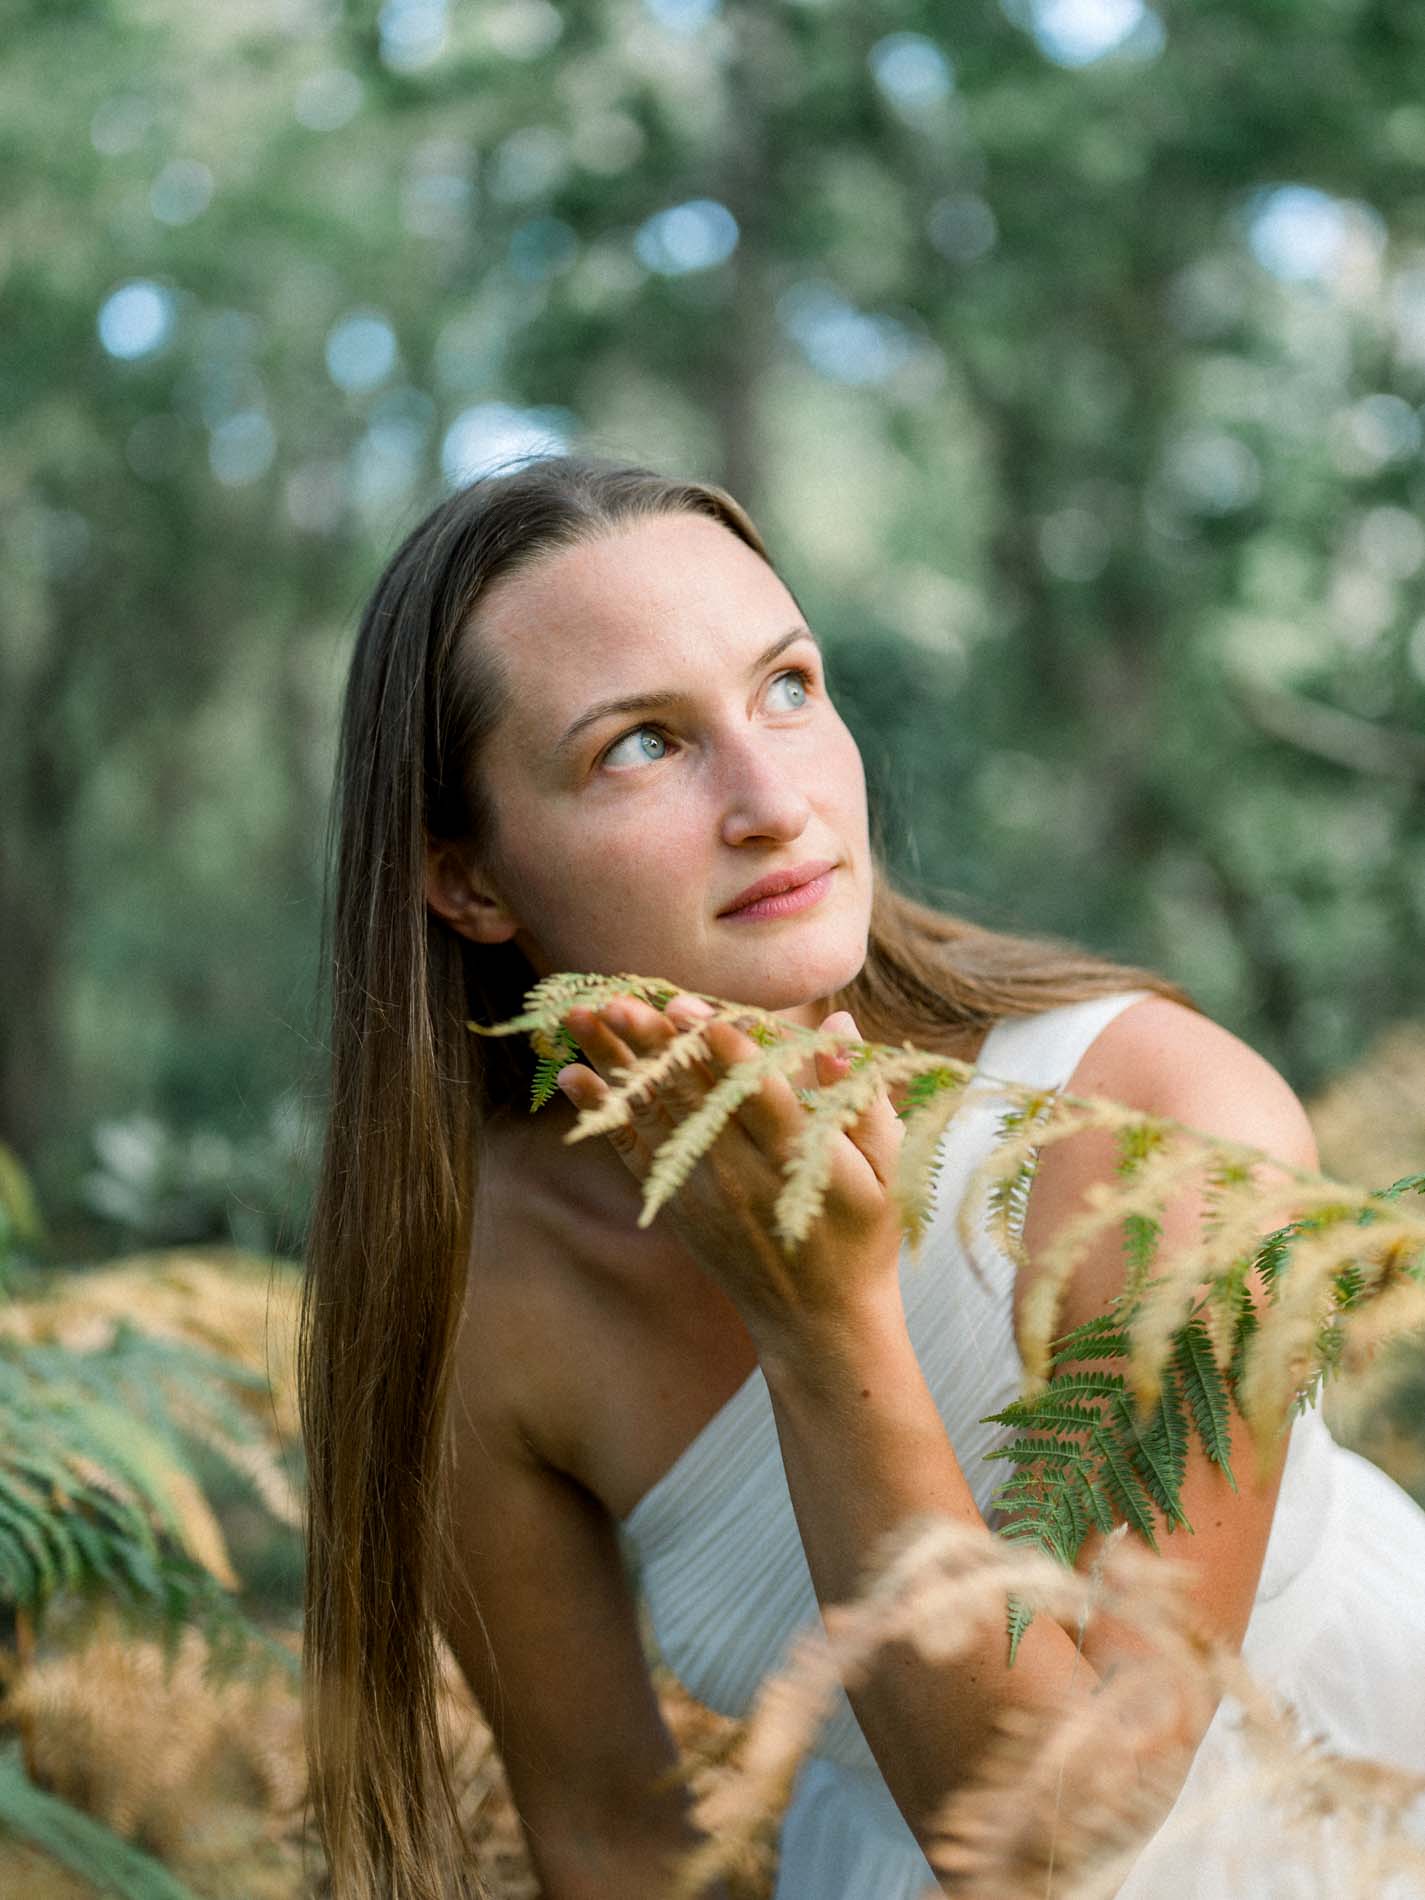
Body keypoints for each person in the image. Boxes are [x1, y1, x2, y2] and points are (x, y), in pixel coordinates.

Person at [298, 451, 1425, 1900]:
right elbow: (608, 1839)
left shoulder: (1159, 1121)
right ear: (469, 881)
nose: (774, 799)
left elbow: (1074, 1838)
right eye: (638, 745)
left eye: (786, 687)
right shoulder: (483, 1297)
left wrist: (824, 1324)